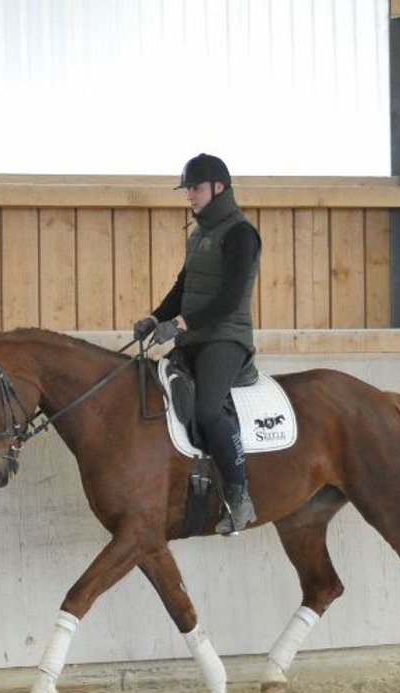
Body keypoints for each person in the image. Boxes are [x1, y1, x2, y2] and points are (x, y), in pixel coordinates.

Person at [134, 153, 262, 536]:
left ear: (218, 188)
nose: (189, 195)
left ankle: (240, 498)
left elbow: (229, 296)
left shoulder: (241, 234)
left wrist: (180, 324)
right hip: (194, 337)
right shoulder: (200, 234)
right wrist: (156, 318)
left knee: (207, 410)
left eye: (195, 188)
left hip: (226, 339)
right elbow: (183, 287)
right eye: (188, 189)